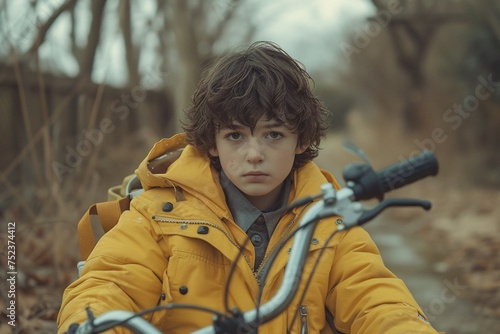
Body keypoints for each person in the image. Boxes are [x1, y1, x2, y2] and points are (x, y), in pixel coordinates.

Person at [57, 41, 442, 334]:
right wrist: (88, 322)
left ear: (302, 139)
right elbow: (109, 282)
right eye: (236, 136)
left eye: (273, 134)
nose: (254, 154)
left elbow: (375, 296)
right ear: (211, 142)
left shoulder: (328, 221)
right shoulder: (157, 213)